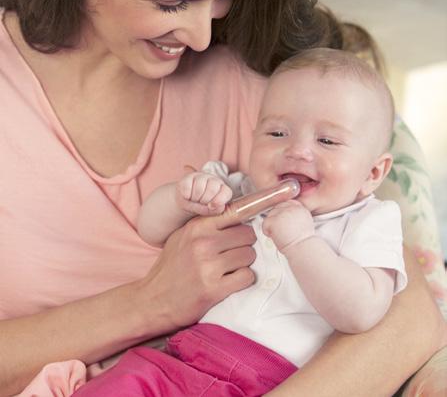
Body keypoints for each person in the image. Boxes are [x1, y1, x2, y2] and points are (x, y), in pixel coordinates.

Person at [0, 0, 444, 396]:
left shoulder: (269, 97)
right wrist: (151, 302)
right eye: (171, 1)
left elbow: (405, 319)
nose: (200, 36)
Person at [73, 47, 408, 395]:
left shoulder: (368, 219)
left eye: (327, 140)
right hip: (182, 357)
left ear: (372, 172)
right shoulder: (238, 188)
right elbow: (151, 228)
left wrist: (301, 244)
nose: (297, 150)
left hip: (268, 380)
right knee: (121, 384)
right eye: (277, 133)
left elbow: (362, 312)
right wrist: (180, 198)